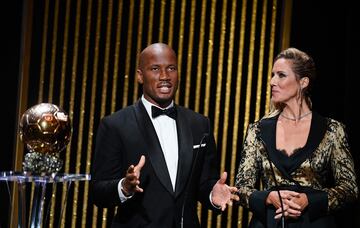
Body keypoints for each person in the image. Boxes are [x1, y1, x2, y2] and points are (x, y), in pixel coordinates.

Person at [91, 43, 239, 228]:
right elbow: (98, 192)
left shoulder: (200, 124)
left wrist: (213, 195)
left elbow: (205, 183)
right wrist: (124, 187)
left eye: (171, 68)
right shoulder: (115, 125)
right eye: (155, 69)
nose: (164, 76)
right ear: (139, 75)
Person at [235, 47, 358, 228]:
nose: (272, 81)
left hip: (314, 223)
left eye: (281, 75)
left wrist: (309, 200)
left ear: (303, 82)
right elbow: (242, 188)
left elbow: (349, 188)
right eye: (272, 75)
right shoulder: (258, 130)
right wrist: (268, 197)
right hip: (269, 222)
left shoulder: (332, 130)